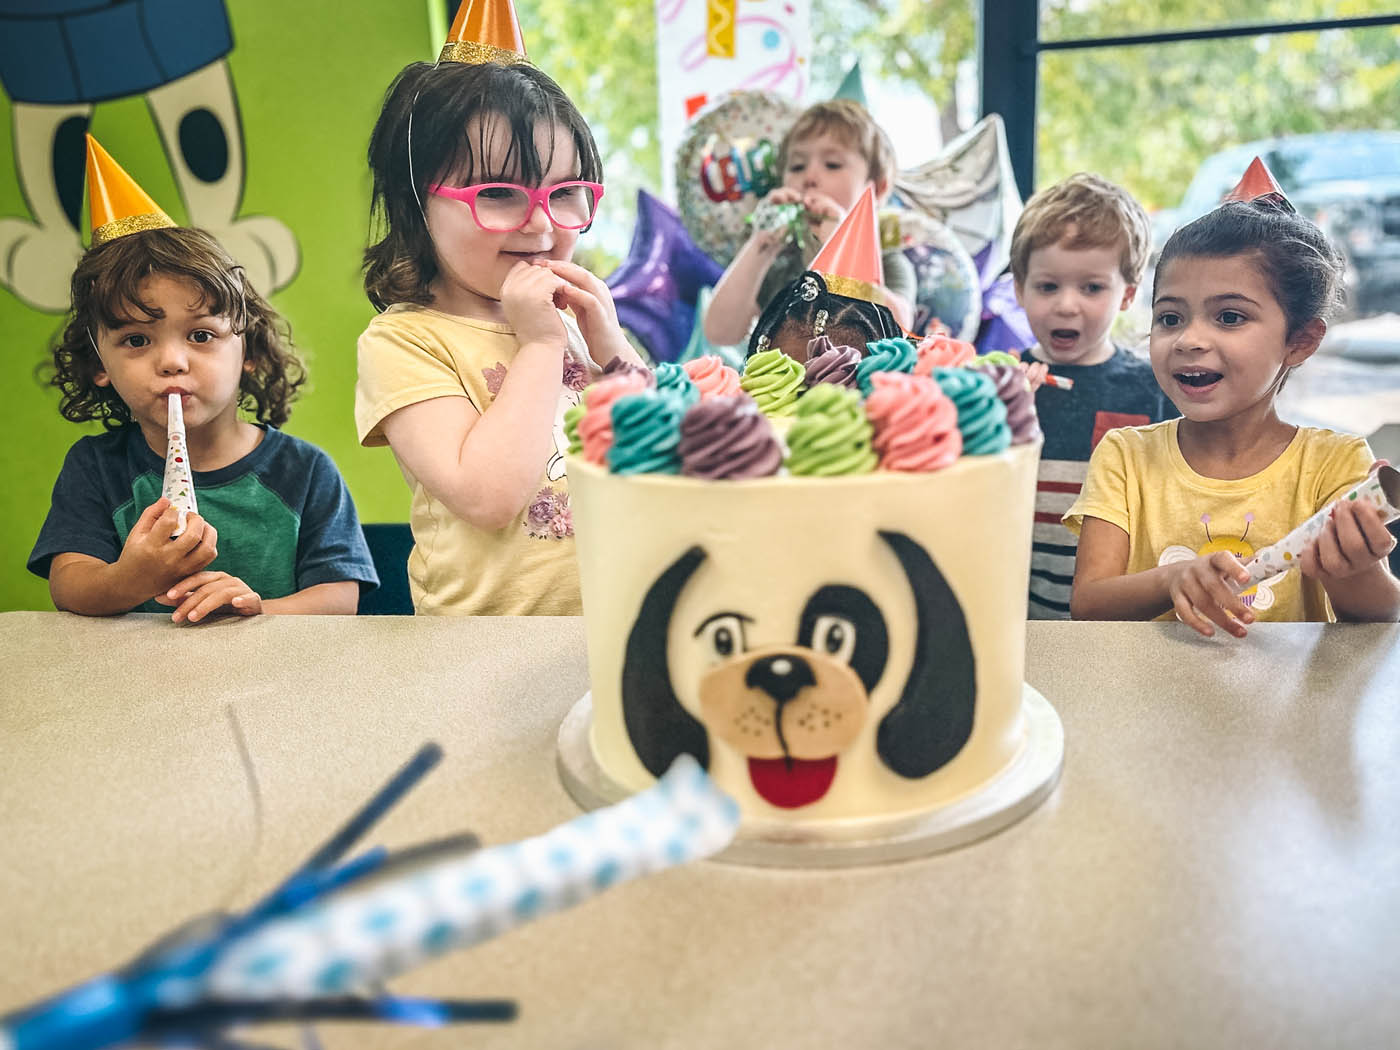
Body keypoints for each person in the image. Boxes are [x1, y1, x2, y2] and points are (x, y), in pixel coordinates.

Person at [355, 41, 643, 615]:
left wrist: (611, 346)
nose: (540, 222)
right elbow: (488, 498)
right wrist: (540, 344)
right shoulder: (405, 342)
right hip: (483, 650)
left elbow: (666, 456)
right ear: (415, 206)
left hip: (619, 619)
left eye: (565, 193)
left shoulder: (572, 320)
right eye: (498, 194)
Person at [30, 174, 377, 622]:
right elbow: (69, 585)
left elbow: (338, 599)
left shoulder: (306, 472)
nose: (172, 361)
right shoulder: (96, 468)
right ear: (99, 365)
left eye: (200, 335)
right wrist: (132, 578)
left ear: (248, 349)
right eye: (136, 340)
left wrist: (256, 609)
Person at [1064, 194, 1400, 635]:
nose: (1188, 339)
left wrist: (1351, 567)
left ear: (1299, 341)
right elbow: (1088, 605)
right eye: (1170, 318)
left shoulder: (1334, 465)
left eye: (1228, 316)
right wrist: (1173, 578)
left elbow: (1377, 621)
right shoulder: (1125, 455)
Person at [1010, 173, 1177, 618]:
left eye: (1091, 287)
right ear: (1018, 288)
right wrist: (1001, 410)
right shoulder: (996, 380)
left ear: (1127, 295)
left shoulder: (1153, 387)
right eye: (1048, 286)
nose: (1067, 305)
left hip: (1116, 616)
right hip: (1013, 607)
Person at [704, 99, 916, 345]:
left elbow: (899, 328)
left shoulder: (886, 260)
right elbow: (720, 333)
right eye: (797, 166)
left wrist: (842, 248)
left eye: (832, 165)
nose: (810, 177)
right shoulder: (783, 264)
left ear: (876, 189)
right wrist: (761, 247)